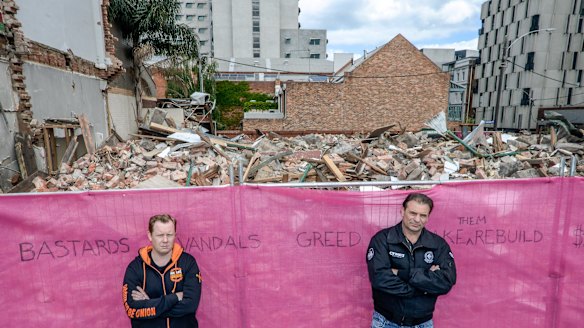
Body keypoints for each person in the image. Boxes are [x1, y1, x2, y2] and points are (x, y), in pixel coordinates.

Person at [366, 193, 456, 328]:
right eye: (413, 213)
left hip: (423, 323)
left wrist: (402, 274)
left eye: (423, 215)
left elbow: (446, 281)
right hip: (386, 322)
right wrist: (424, 288)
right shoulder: (382, 240)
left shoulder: (438, 245)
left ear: (428, 217)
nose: (417, 219)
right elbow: (380, 278)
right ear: (402, 211)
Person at [122, 214, 202, 327]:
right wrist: (175, 297)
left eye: (169, 235)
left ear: (175, 235)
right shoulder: (135, 268)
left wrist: (149, 305)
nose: (165, 240)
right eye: (160, 235)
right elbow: (132, 310)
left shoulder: (188, 263)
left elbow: (190, 305)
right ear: (150, 235)